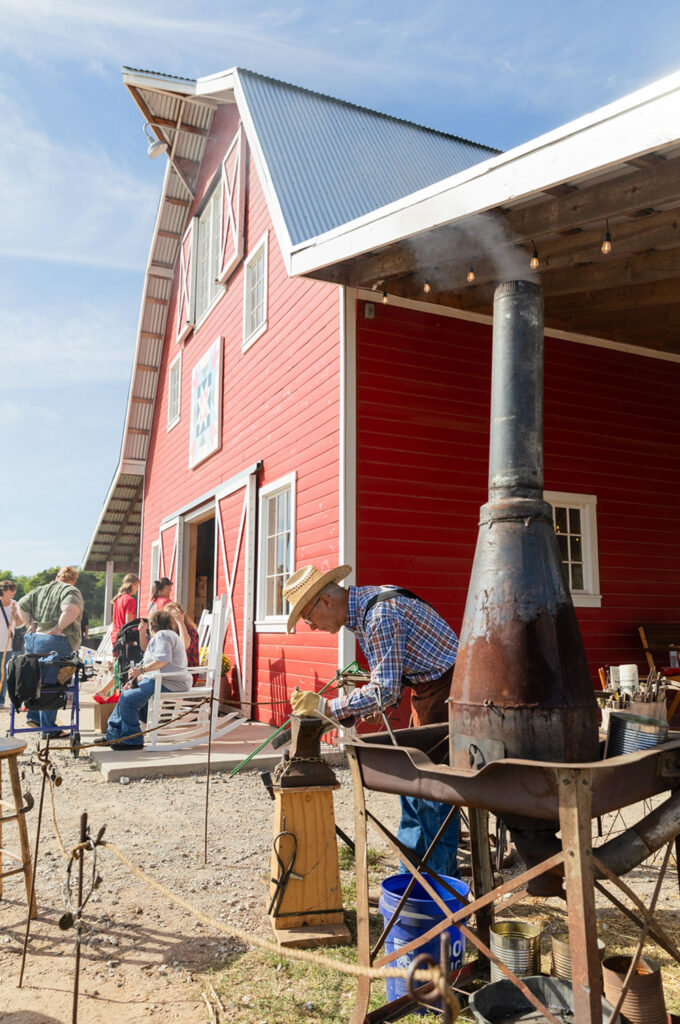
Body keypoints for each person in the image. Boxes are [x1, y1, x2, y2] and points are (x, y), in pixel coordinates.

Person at [283, 564, 460, 879]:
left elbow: (385, 692)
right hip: (428, 692)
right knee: (412, 783)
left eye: (308, 619)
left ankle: (440, 891)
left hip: (450, 694)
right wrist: (333, 715)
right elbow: (387, 684)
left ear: (325, 601)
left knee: (434, 793)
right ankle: (414, 879)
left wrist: (326, 706)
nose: (311, 627)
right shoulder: (365, 609)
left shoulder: (379, 616)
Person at [98, 607, 191, 750]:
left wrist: (141, 670)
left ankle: (133, 740)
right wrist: (139, 677)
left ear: (153, 625)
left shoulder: (163, 636)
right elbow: (155, 660)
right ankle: (113, 735)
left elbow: (163, 660)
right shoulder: (166, 636)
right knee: (126, 695)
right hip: (161, 679)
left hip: (169, 682)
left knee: (128, 700)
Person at [17, 566, 83, 738]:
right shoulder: (70, 590)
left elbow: (21, 607)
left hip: (34, 640)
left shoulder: (40, 590)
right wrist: (58, 627)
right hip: (56, 640)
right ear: (74, 580)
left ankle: (34, 717)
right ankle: (49, 729)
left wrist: (30, 623)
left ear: (57, 576)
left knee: (36, 680)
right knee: (53, 683)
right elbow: (71, 610)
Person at [0, 580, 22, 707]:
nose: (14, 592)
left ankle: (1, 700)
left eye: (14, 589)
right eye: (11, 589)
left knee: (3, 672)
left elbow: (19, 624)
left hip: (7, 645)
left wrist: (14, 614)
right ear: (3, 590)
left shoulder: (15, 604)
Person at [164, 601, 200, 668]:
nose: (171, 619)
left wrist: (180, 622)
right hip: (171, 670)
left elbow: (184, 646)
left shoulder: (190, 630)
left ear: (182, 616)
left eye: (174, 615)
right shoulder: (168, 632)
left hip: (187, 672)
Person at [111, 574, 140, 645]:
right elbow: (129, 624)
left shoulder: (117, 599)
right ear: (132, 585)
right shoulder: (130, 600)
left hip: (115, 636)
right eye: (137, 586)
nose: (137, 589)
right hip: (125, 638)